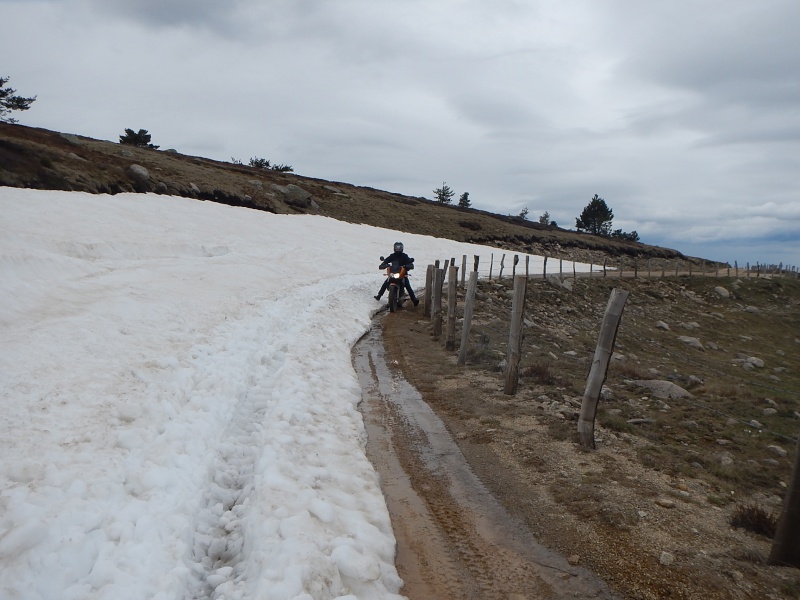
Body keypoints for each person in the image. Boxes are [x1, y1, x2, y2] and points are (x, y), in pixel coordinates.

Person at [375, 241, 419, 306]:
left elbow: (410, 263)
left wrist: (408, 265)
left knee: (408, 286)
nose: (398, 249)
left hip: (402, 274)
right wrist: (384, 264)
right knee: (386, 283)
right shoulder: (392, 256)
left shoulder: (404, 256)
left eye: (399, 248)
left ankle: (414, 300)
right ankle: (379, 296)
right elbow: (386, 261)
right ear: (394, 248)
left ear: (402, 248)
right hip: (393, 273)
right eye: (397, 247)